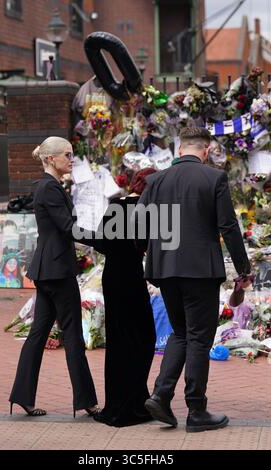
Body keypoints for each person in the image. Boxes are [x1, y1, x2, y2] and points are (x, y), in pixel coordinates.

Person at [136, 127, 251, 432]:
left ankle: (161, 395)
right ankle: (196, 410)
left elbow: (137, 223)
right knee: (199, 337)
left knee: (181, 333)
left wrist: (148, 254)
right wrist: (244, 269)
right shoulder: (213, 178)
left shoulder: (156, 180)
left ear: (179, 149)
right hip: (200, 269)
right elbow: (228, 226)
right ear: (206, 149)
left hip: (165, 269)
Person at [9, 136, 98, 417]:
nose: (71, 160)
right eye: (67, 155)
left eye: (72, 155)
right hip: (57, 270)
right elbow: (67, 227)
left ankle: (22, 396)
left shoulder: (50, 186)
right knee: (72, 335)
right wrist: (105, 238)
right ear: (51, 159)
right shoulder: (49, 188)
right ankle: (85, 401)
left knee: (38, 333)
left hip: (49, 268)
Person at [89, 168, 157, 427]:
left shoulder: (115, 206)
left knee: (119, 338)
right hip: (132, 277)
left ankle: (118, 402)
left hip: (112, 276)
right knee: (144, 336)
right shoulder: (147, 210)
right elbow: (149, 244)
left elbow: (101, 244)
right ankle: (135, 400)